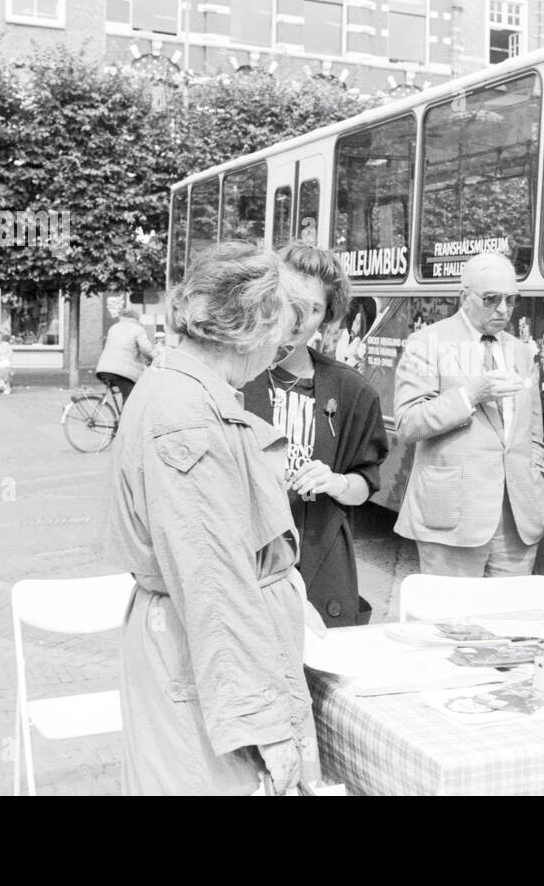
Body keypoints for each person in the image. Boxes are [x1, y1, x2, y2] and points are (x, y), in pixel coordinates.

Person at [104, 241, 319, 795]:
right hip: (199, 669)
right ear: (251, 325)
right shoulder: (186, 415)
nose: (280, 347)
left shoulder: (185, 393)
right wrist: (269, 730)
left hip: (197, 663)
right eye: (280, 329)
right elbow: (215, 589)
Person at [242, 245, 389, 628]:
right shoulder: (232, 379)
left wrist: (337, 482)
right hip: (243, 564)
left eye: (312, 309)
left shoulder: (353, 392)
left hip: (320, 564)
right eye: (289, 301)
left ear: (327, 319)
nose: (296, 318)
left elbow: (365, 482)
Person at [394, 253, 544, 576]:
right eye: (491, 299)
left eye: (512, 300)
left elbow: (533, 432)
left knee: (512, 622)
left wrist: (534, 476)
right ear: (464, 297)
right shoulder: (427, 342)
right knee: (450, 624)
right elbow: (408, 422)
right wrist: (470, 395)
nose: (503, 310)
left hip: (517, 520)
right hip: (452, 520)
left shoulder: (521, 351)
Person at [95, 307, 155, 411]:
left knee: (128, 394)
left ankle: (122, 421)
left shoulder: (114, 327)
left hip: (104, 369)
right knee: (132, 397)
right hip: (122, 371)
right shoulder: (138, 329)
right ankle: (126, 425)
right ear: (136, 318)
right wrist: (155, 358)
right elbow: (146, 349)